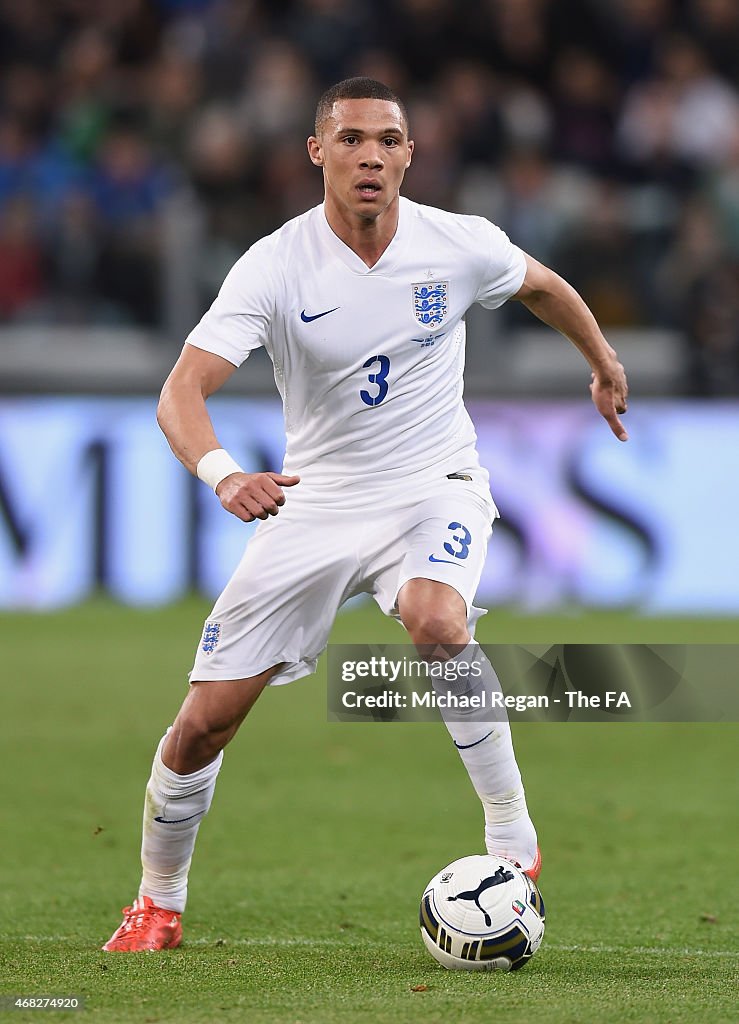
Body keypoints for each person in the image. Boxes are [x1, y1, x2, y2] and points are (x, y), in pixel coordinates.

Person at [103, 77, 628, 952]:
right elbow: (181, 392)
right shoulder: (275, 264)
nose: (370, 156)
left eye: (387, 139)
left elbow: (542, 286)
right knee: (203, 725)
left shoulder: (455, 243)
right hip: (314, 505)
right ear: (317, 152)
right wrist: (225, 474)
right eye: (349, 139)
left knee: (437, 620)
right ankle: (158, 900)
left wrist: (602, 359)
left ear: (410, 154)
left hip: (433, 484)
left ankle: (513, 840)